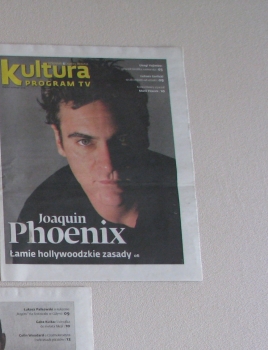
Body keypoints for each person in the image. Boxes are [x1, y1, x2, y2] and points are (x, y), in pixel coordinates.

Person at [12, 59, 183, 264]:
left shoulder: (184, 190)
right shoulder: (40, 213)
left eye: (123, 140)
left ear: (144, 133)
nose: (108, 164)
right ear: (59, 140)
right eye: (85, 142)